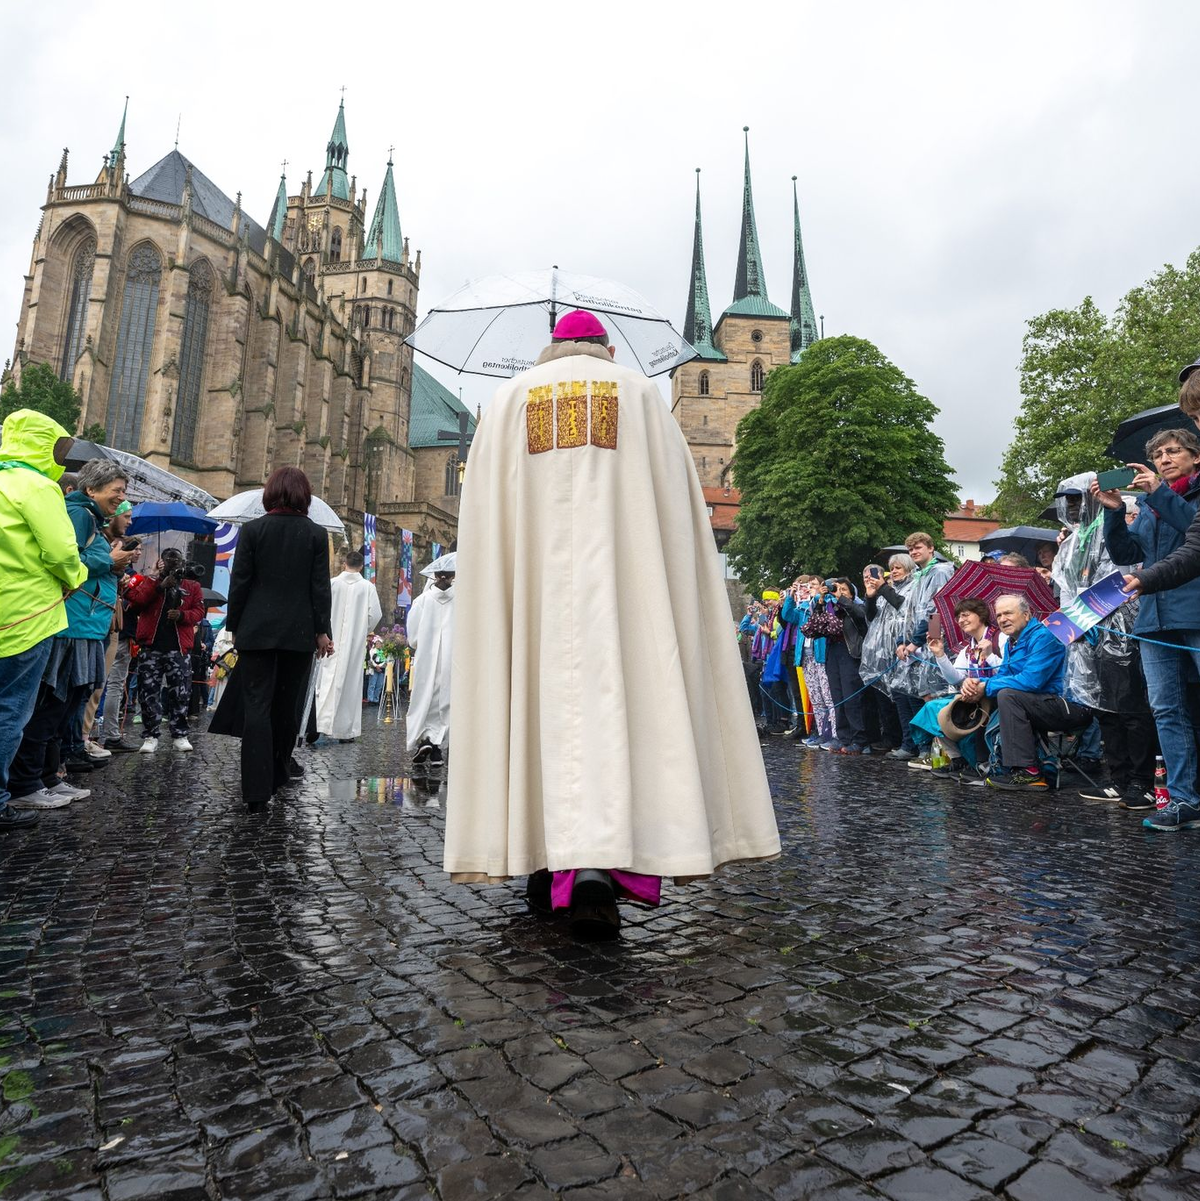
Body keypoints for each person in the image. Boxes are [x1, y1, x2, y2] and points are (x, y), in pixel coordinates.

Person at [443, 309, 780, 939]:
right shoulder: (643, 395)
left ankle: (543, 866)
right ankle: (600, 870)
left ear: (553, 345)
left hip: (533, 598)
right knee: (619, 713)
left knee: (538, 715)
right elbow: (678, 514)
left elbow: (484, 520)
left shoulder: (508, 400)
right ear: (603, 345)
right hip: (624, 593)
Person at [8, 458, 138, 811]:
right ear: (92, 489)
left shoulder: (88, 516)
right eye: (118, 491)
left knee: (64, 706)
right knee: (52, 706)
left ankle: (46, 777)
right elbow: (68, 562)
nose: (122, 498)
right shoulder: (80, 515)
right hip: (74, 625)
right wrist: (109, 562)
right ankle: (27, 782)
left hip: (86, 624)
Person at [1097, 429, 1199, 822]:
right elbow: (1126, 552)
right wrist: (1113, 510)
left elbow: (1195, 531)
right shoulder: (1151, 504)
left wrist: (1158, 493)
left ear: (1196, 457)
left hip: (1194, 612)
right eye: (1158, 454)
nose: (1165, 459)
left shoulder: (1168, 498)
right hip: (1154, 620)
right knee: (1166, 710)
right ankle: (1183, 800)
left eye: (1174, 451)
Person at [221, 466, 333, 808]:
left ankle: (255, 790)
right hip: (298, 634)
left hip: (256, 631)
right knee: (287, 708)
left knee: (257, 708)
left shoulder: (253, 530)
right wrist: (322, 631)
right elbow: (320, 588)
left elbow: (239, 583)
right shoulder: (315, 534)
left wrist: (234, 626)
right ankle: (278, 774)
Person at [0, 410, 87, 830]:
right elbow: (61, 552)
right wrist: (76, 577)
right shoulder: (38, 486)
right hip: (27, 617)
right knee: (12, 712)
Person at [957, 594, 1090, 790]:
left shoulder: (1044, 636)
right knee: (985, 695)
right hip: (1039, 702)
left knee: (1007, 695)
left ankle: (1028, 771)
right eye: (999, 615)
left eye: (1009, 613)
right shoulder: (1013, 642)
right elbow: (1002, 676)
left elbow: (1032, 681)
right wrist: (976, 683)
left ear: (1027, 615)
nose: (1002, 619)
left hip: (1068, 706)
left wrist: (987, 686)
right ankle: (983, 764)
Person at [125, 548, 205, 753]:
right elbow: (137, 602)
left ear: (182, 562)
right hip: (151, 647)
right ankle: (151, 735)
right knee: (148, 692)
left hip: (178, 649)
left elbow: (198, 612)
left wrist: (182, 616)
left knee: (180, 692)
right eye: (168, 559)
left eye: (176, 559)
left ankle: (179, 734)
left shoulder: (192, 586)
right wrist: (159, 586)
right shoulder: (150, 581)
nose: (172, 562)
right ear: (161, 561)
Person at [919, 598, 1005, 779]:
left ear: (981, 615)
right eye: (958, 617)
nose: (961, 620)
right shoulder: (968, 648)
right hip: (974, 697)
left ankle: (983, 762)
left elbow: (1008, 670)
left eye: (965, 615)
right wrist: (940, 654)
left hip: (996, 695)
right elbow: (955, 678)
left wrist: (989, 656)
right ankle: (957, 758)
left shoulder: (1001, 638)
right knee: (933, 709)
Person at [82, 499, 137, 755]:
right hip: (91, 620)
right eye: (126, 515)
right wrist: (110, 562)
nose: (129, 521)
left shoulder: (108, 543)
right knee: (89, 686)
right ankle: (79, 741)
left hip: (104, 620)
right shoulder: (97, 539)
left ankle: (82, 738)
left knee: (98, 685)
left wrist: (119, 578)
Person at [315, 550, 383, 741]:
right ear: (361, 566)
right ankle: (345, 731)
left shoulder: (332, 584)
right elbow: (375, 615)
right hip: (354, 642)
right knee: (350, 684)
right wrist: (361, 629)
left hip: (329, 638)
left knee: (326, 679)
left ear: (344, 563)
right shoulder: (367, 587)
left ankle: (320, 723)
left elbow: (321, 608)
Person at [861, 554, 914, 754]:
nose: (894, 571)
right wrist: (870, 596)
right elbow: (871, 616)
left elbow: (902, 606)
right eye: (892, 568)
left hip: (903, 650)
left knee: (903, 698)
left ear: (909, 569)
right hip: (882, 654)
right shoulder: (888, 589)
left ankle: (908, 742)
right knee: (886, 698)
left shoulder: (910, 588)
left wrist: (883, 587)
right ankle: (894, 738)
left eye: (898, 568)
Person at [406, 563, 455, 765]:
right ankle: (437, 746)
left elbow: (413, 637)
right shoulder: (462, 601)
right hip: (452, 659)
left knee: (424, 697)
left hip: (427, 659)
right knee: (447, 701)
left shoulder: (422, 601)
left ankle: (425, 738)